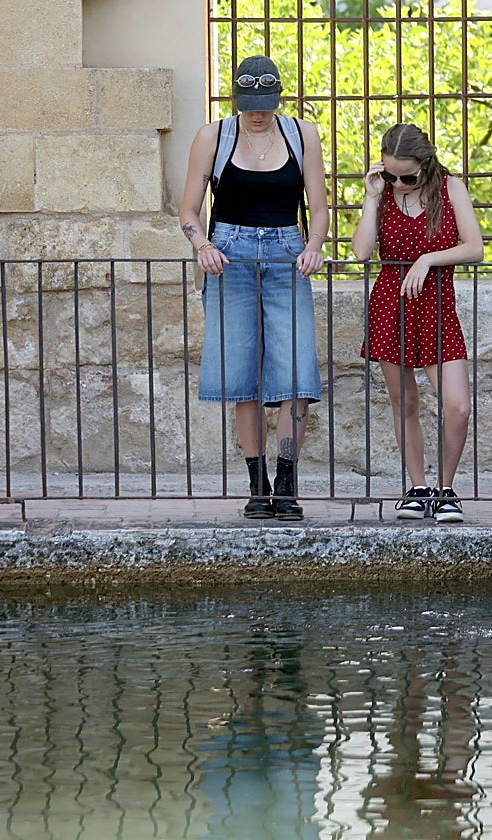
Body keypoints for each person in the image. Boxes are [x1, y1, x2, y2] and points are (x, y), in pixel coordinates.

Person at [179, 55, 329, 521]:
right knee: (240, 373)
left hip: (287, 253)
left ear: (278, 98)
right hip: (230, 257)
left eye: (265, 104)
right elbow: (188, 211)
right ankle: (256, 483)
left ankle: (286, 482)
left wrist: (315, 246)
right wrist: (201, 243)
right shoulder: (214, 136)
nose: (257, 113)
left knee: (296, 372)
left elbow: (320, 209)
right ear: (236, 99)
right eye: (249, 104)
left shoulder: (302, 134)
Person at [350, 123, 483, 523]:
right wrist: (372, 198)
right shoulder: (385, 194)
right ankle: (417, 487)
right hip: (391, 304)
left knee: (458, 406)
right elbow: (360, 252)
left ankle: (445, 489)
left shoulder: (449, 188)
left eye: (407, 175)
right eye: (390, 174)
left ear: (426, 165)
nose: (399, 182)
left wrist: (427, 259)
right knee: (404, 402)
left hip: (436, 307)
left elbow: (474, 248)